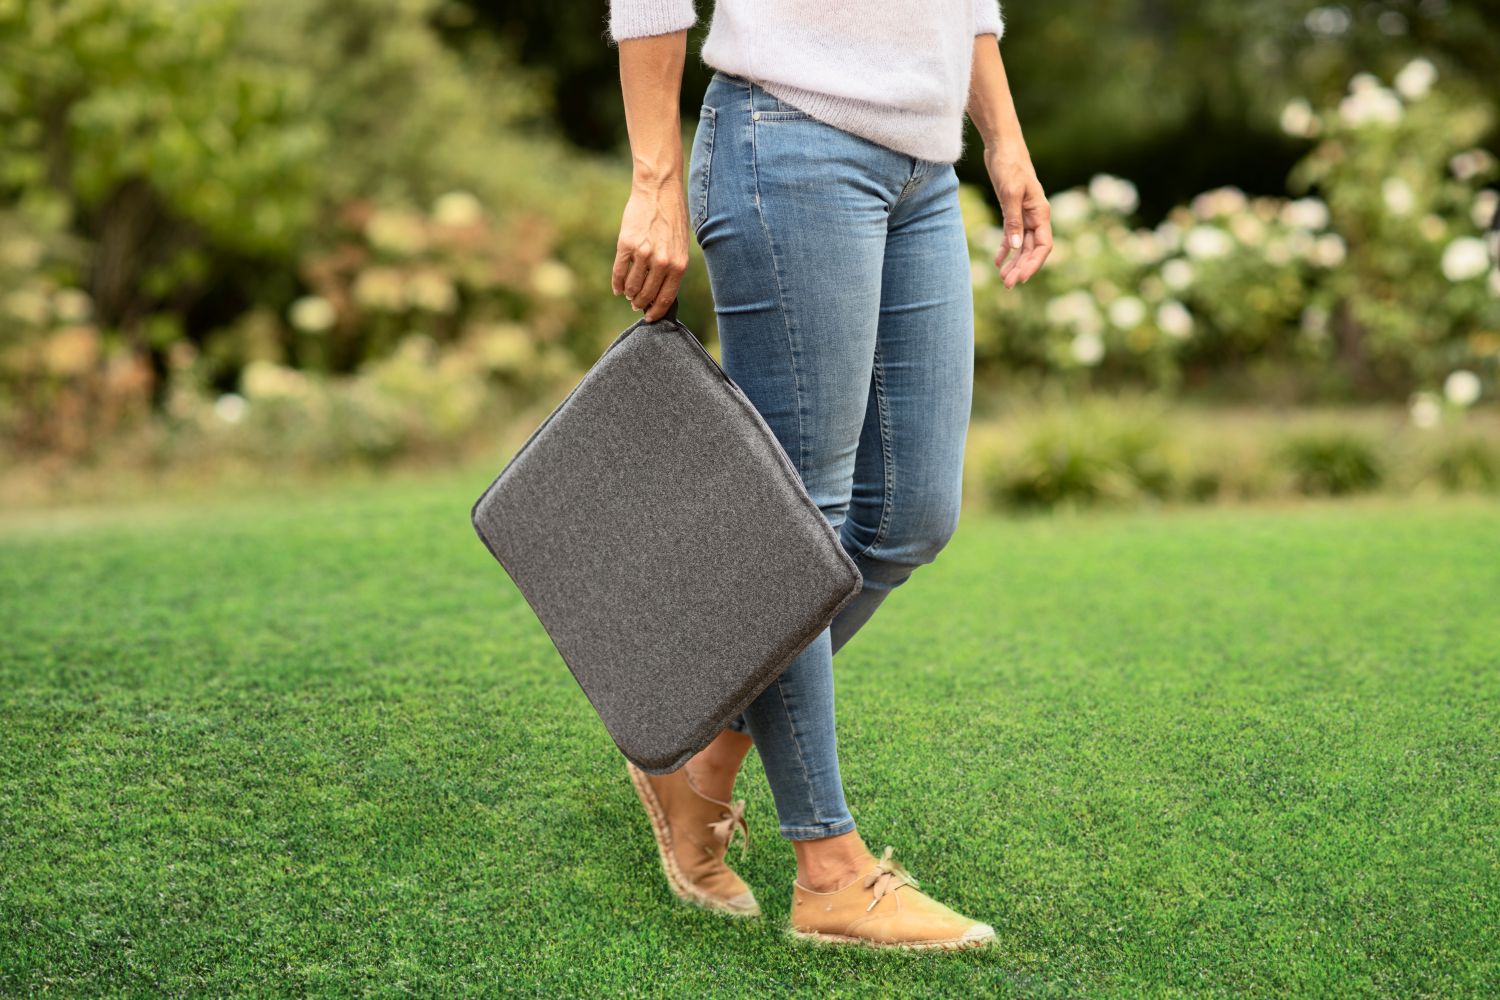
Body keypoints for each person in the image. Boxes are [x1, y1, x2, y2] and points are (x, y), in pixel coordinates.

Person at [606, 0, 1052, 950]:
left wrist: (1003, 139)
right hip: (790, 141)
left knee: (912, 516)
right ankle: (831, 870)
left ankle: (698, 755)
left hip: (925, 169)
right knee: (800, 520)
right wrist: (655, 176)